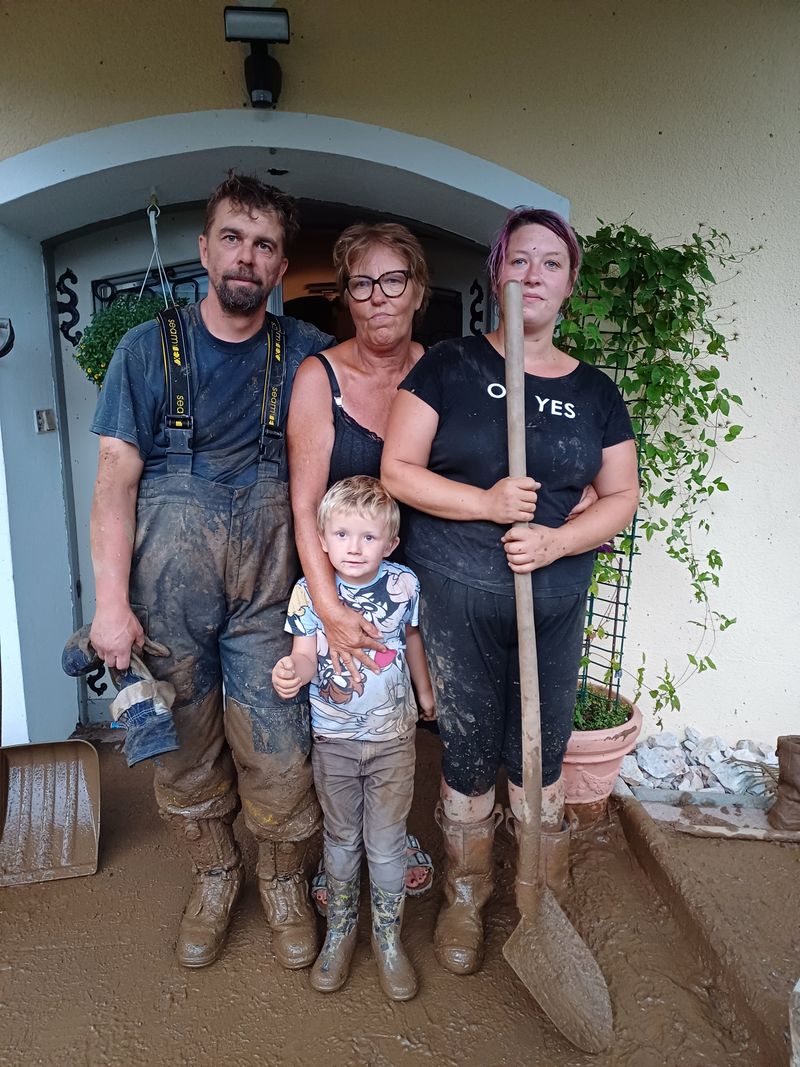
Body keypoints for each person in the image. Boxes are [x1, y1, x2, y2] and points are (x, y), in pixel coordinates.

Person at [381, 206, 640, 976]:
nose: (532, 274)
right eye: (518, 260)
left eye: (550, 263)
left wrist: (557, 539)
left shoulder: (594, 392)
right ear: (498, 276)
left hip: (552, 604)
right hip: (458, 597)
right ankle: (466, 894)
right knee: (465, 746)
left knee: (542, 749)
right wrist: (488, 504)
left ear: (568, 287)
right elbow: (399, 471)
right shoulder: (450, 367)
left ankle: (540, 894)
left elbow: (621, 495)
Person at [89, 173, 336, 970]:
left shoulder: (305, 353)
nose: (247, 257)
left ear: (279, 265)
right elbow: (114, 482)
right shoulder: (145, 351)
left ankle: (281, 879)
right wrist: (111, 606)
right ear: (204, 249)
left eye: (265, 245)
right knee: (184, 749)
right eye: (233, 238)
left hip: (271, 595)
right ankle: (216, 871)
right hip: (169, 595)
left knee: (280, 746)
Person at [287, 222, 436, 908]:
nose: (378, 297)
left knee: (412, 718)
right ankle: (340, 847)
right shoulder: (320, 378)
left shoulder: (441, 372)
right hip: (344, 581)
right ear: (345, 296)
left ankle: (394, 835)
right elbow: (305, 500)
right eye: (361, 283)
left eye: (393, 280)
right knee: (342, 711)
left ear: (418, 291)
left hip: (420, 577)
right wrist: (331, 606)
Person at [272, 476, 433, 1001]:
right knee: (340, 840)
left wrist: (426, 694)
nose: (354, 548)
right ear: (321, 539)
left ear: (390, 543)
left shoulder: (404, 585)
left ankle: (388, 939)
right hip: (335, 740)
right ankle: (340, 933)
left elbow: (411, 640)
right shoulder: (308, 592)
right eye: (342, 534)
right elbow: (302, 651)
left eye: (368, 537)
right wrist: (293, 672)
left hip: (392, 740)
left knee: (386, 844)